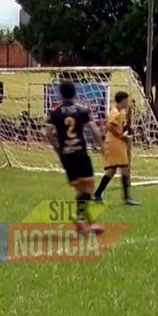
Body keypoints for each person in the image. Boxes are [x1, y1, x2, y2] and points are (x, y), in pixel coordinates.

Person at [46, 81, 103, 232]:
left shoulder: (55, 113)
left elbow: (48, 133)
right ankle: (80, 217)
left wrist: (58, 148)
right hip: (80, 152)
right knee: (89, 186)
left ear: (60, 94)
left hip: (66, 155)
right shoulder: (82, 110)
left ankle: (87, 223)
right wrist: (101, 146)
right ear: (75, 93)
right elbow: (94, 129)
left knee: (79, 189)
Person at [94, 91, 138, 205]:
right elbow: (109, 126)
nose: (127, 103)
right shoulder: (115, 112)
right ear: (122, 100)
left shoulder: (119, 112)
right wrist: (120, 136)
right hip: (115, 144)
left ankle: (97, 194)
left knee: (111, 170)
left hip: (115, 143)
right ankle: (126, 198)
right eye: (126, 100)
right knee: (124, 168)